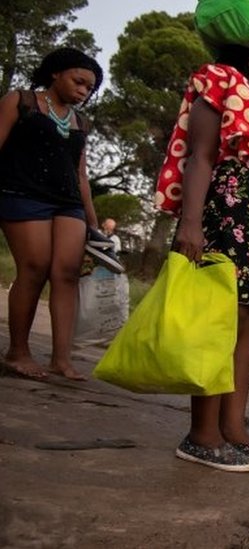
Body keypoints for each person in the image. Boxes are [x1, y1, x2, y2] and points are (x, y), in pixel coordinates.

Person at [159, 45, 249, 472]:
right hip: (229, 216)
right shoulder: (220, 82)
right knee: (221, 323)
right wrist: (191, 223)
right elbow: (200, 156)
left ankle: (234, 430)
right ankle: (201, 435)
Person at [0, 47, 116, 381]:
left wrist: (93, 224)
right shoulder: (20, 101)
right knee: (33, 267)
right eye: (79, 82)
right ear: (56, 72)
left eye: (89, 89)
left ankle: (61, 359)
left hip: (68, 203)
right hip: (21, 194)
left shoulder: (80, 121)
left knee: (66, 274)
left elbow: (81, 175)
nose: (83, 91)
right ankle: (17, 352)